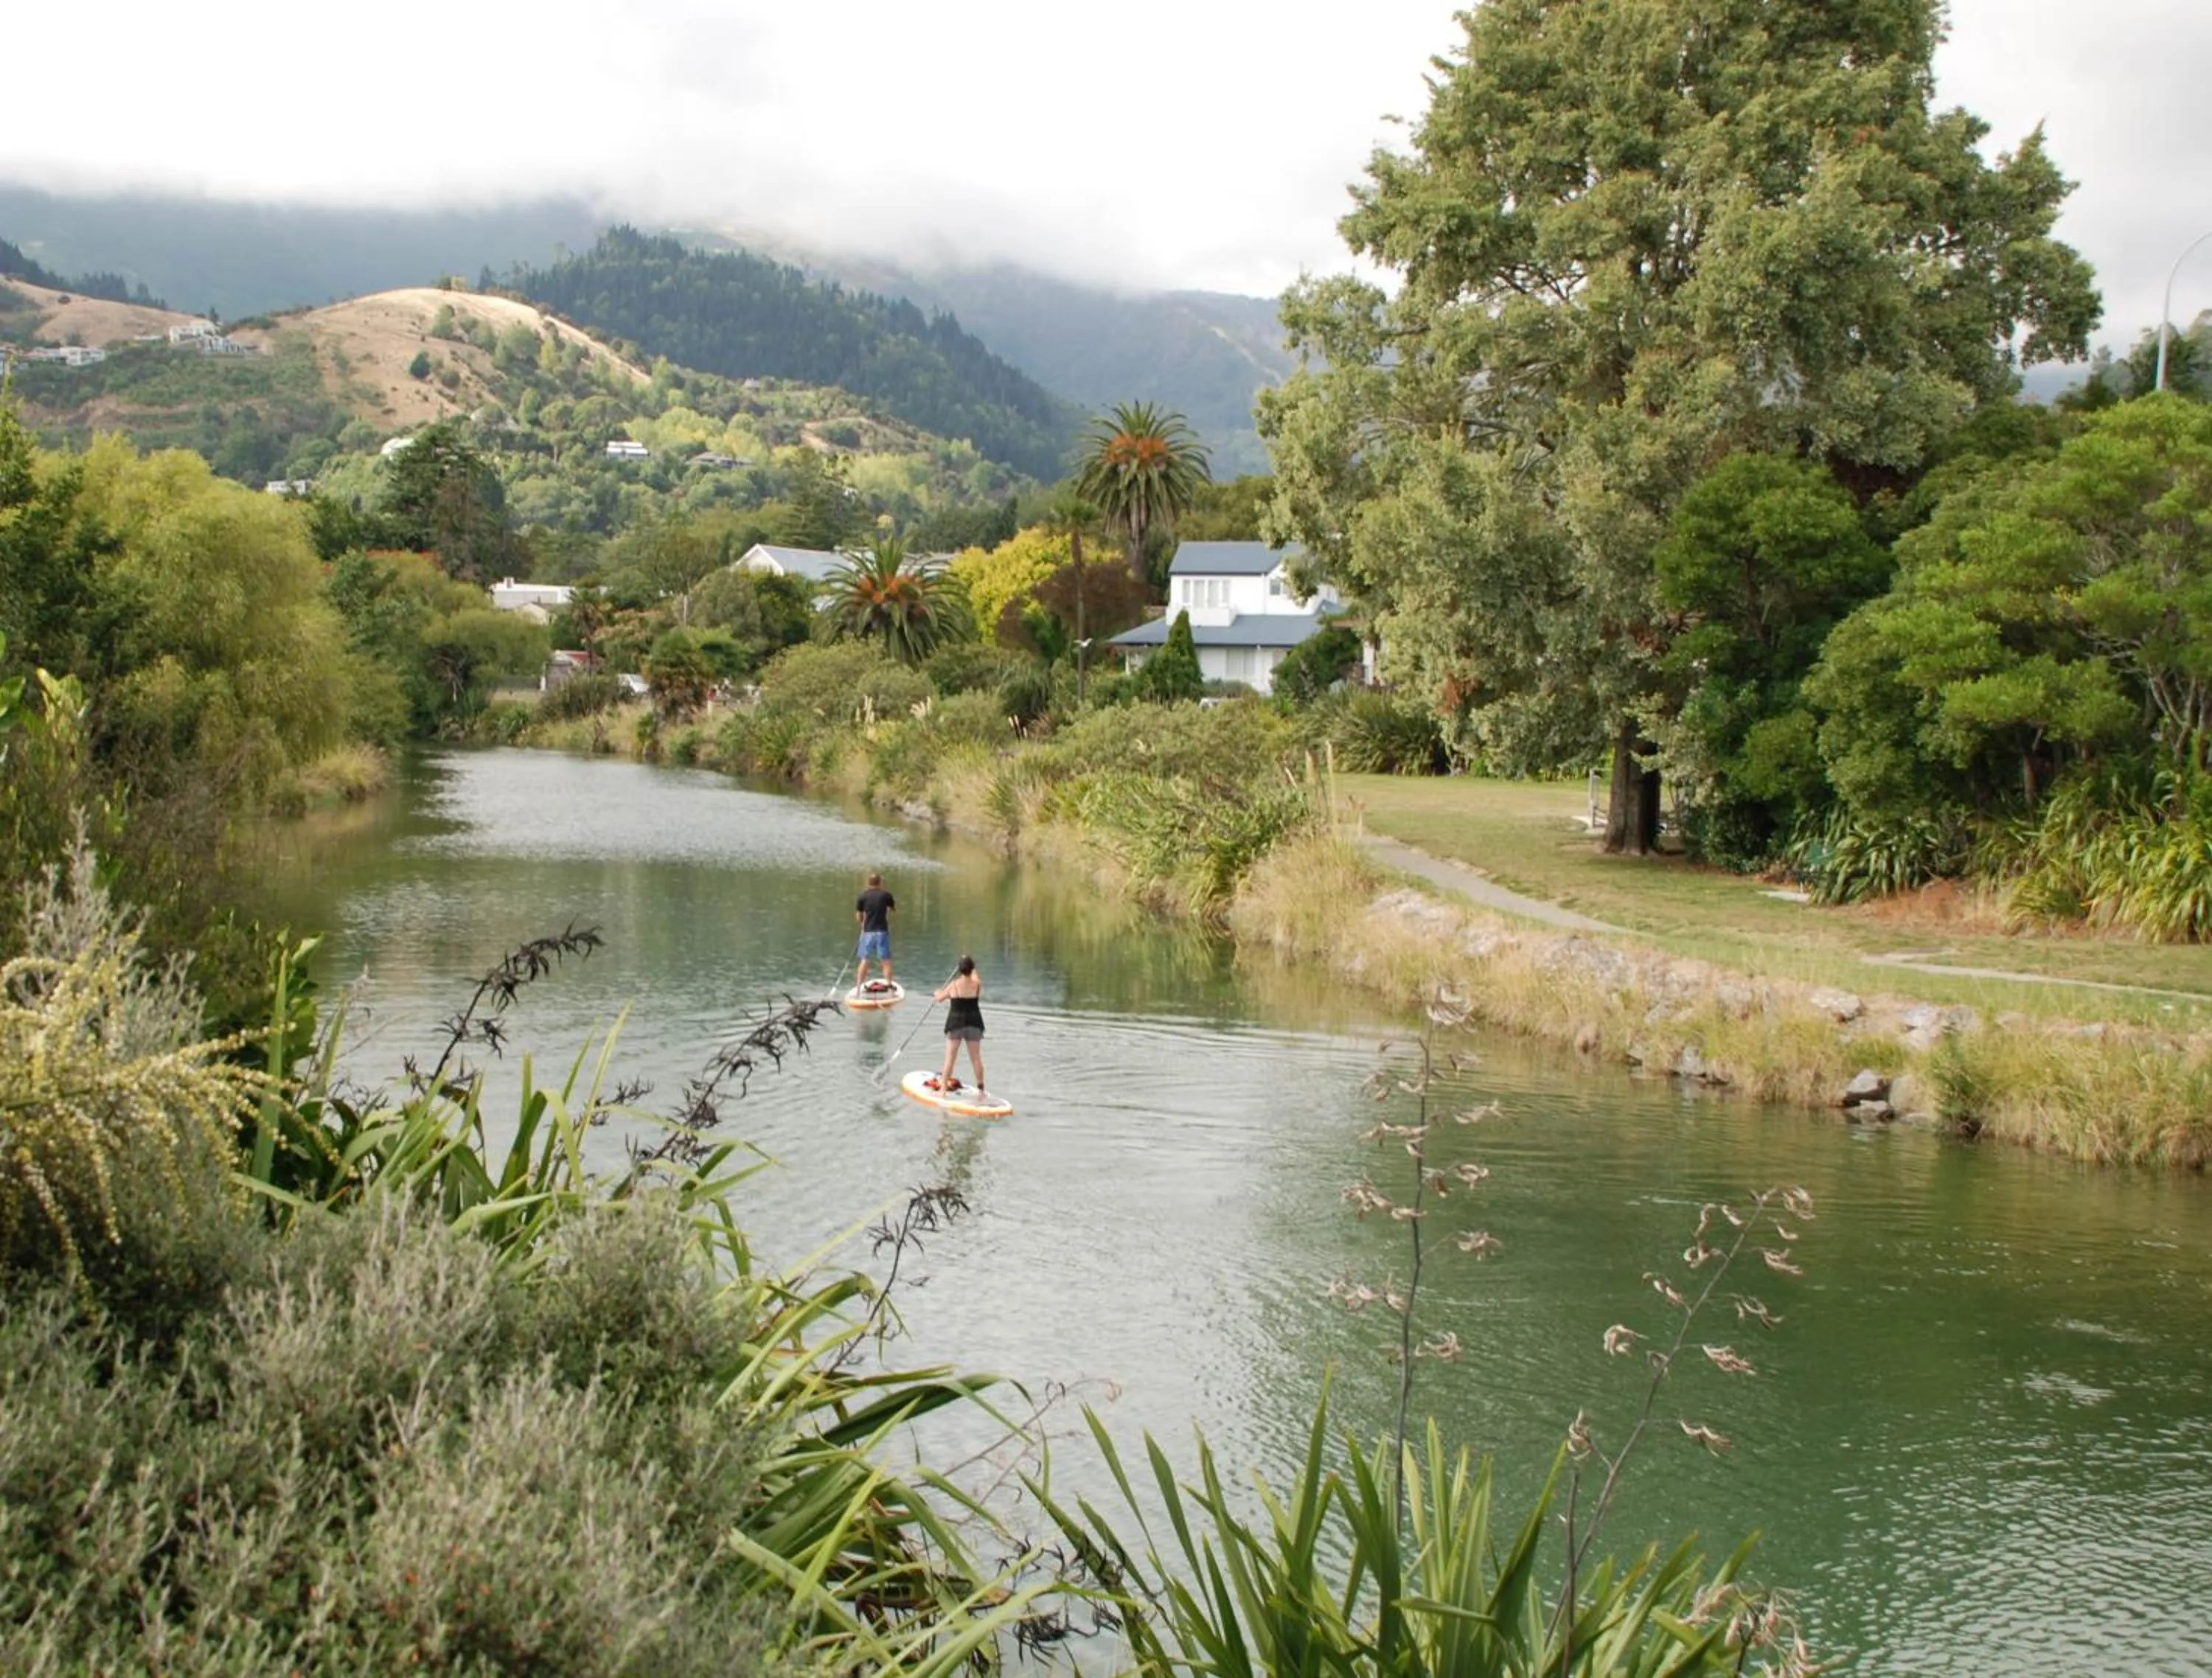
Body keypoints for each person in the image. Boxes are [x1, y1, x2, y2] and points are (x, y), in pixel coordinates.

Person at [928, 955, 986, 1094]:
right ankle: (981, 1091)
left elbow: (940, 998)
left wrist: (936, 993)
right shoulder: (977, 985)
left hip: (956, 1024)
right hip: (974, 1023)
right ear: (972, 970)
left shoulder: (953, 985)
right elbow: (975, 977)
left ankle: (942, 1090)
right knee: (976, 1058)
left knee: (950, 1059)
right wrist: (970, 963)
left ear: (959, 970)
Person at [853, 872, 896, 992]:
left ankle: (858, 988)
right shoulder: (886, 895)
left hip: (867, 932)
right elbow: (893, 909)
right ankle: (889, 985)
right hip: (882, 931)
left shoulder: (862, 896)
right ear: (880, 883)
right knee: (886, 960)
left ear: (869, 883)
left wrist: (862, 924)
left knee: (865, 960)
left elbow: (858, 916)